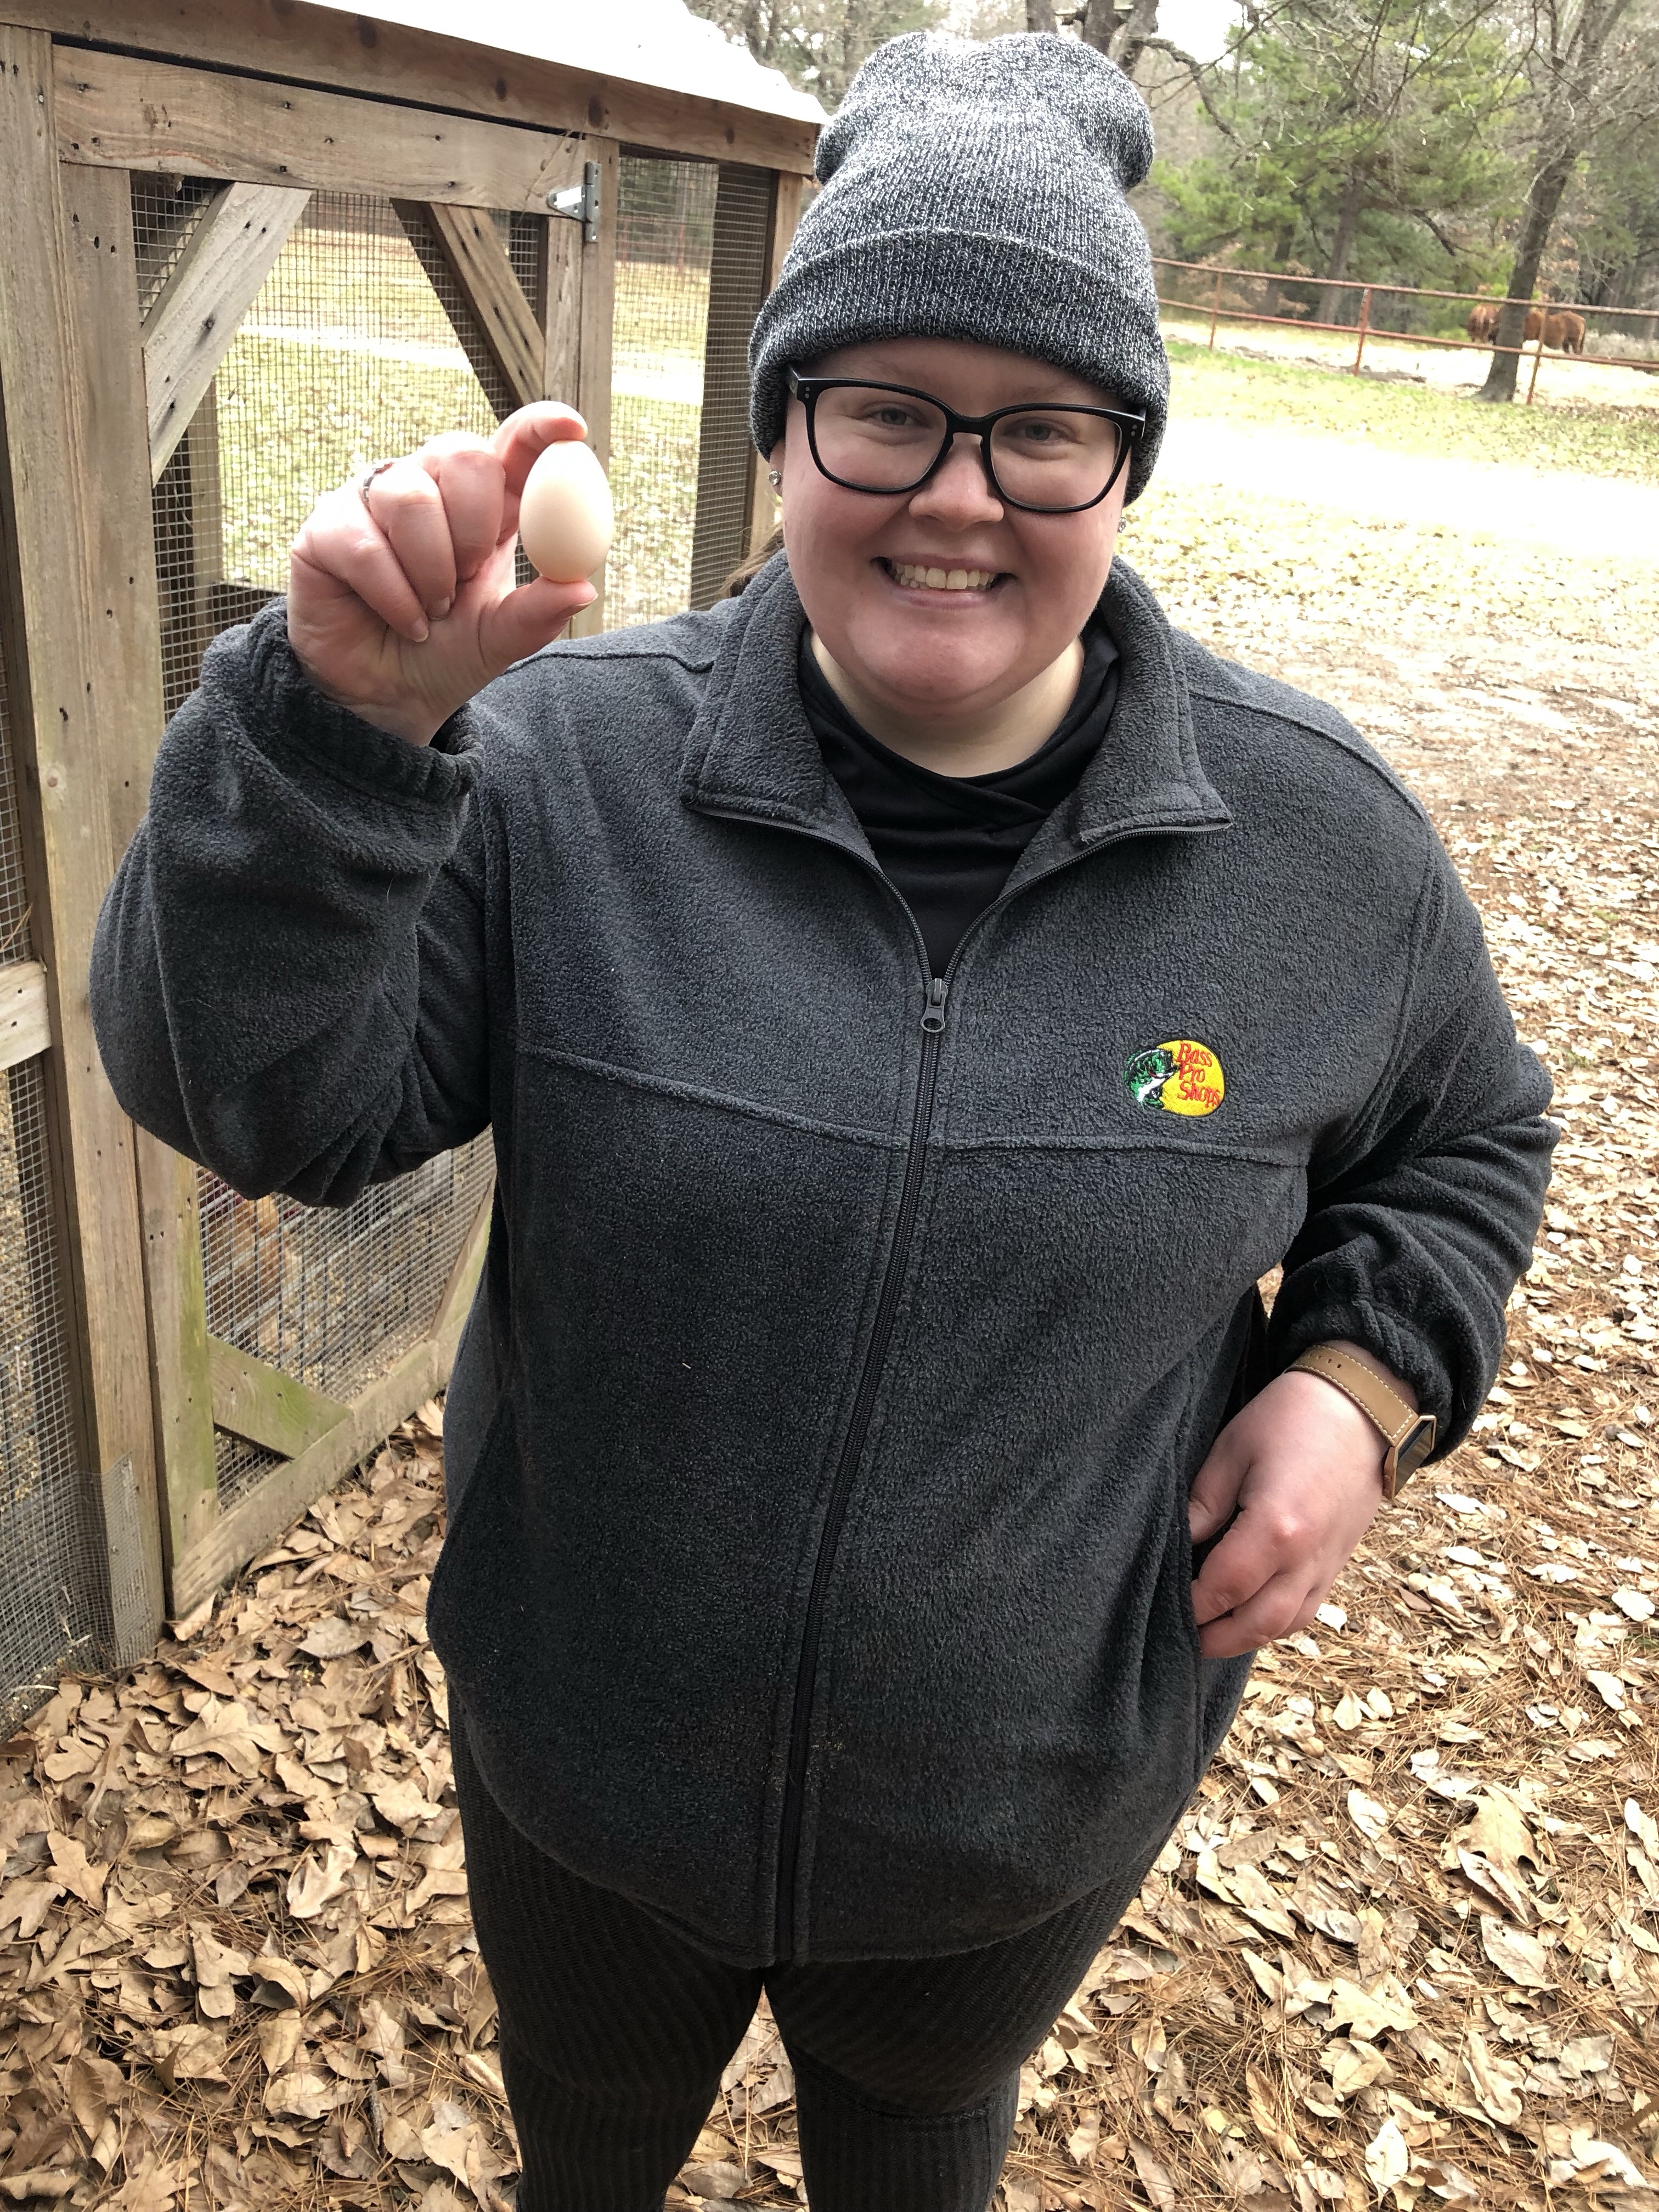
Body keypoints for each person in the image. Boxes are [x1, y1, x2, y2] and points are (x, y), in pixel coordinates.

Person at [91, 30, 1554, 2212]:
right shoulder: (559, 774)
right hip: (586, 1791)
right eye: (884, 408)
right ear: (785, 429)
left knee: (918, 2152)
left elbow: (1471, 1140)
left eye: (1042, 428)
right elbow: (257, 1105)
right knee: (589, 2151)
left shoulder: (1321, 854)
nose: (958, 494)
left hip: (1012, 1829)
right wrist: (328, 750)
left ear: (1127, 468)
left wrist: (1361, 1382)